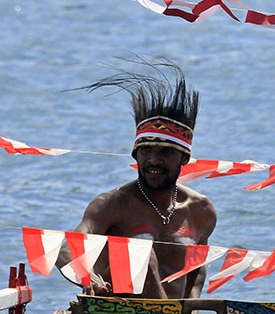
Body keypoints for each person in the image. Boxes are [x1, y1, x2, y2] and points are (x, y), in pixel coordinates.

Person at [57, 59, 217, 299]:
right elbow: (67, 248)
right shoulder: (111, 204)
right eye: (146, 151)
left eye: (166, 152)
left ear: (184, 159)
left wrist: (192, 306)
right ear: (136, 155)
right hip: (118, 308)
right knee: (136, 253)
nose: (154, 160)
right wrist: (86, 276)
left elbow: (196, 270)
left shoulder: (201, 210)